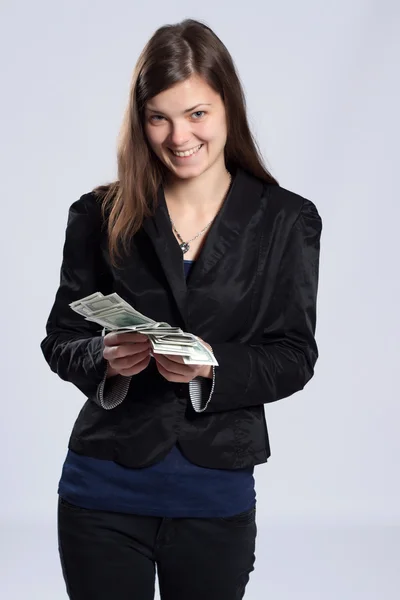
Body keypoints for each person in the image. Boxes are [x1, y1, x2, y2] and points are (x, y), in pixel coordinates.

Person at [40, 18, 322, 600]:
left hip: (213, 495)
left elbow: (294, 355)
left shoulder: (285, 220)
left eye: (197, 113)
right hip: (100, 493)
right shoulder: (99, 214)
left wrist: (212, 368)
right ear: (140, 121)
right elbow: (61, 337)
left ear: (227, 109)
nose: (178, 136)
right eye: (159, 117)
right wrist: (103, 358)